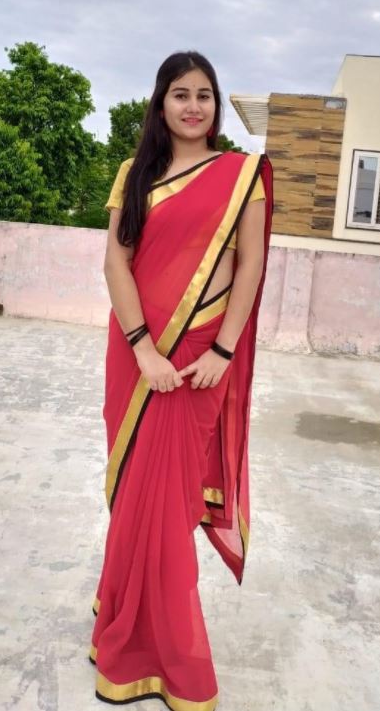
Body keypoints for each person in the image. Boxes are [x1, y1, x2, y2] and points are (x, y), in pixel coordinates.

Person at [90, 50, 274, 711]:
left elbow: (250, 265)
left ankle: (170, 657)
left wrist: (223, 349)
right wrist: (143, 349)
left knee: (168, 506)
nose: (193, 106)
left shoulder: (241, 175)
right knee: (135, 491)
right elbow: (116, 262)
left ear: (215, 105)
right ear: (160, 103)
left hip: (199, 360)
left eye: (203, 94)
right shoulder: (133, 173)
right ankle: (123, 611)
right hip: (137, 354)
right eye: (180, 94)